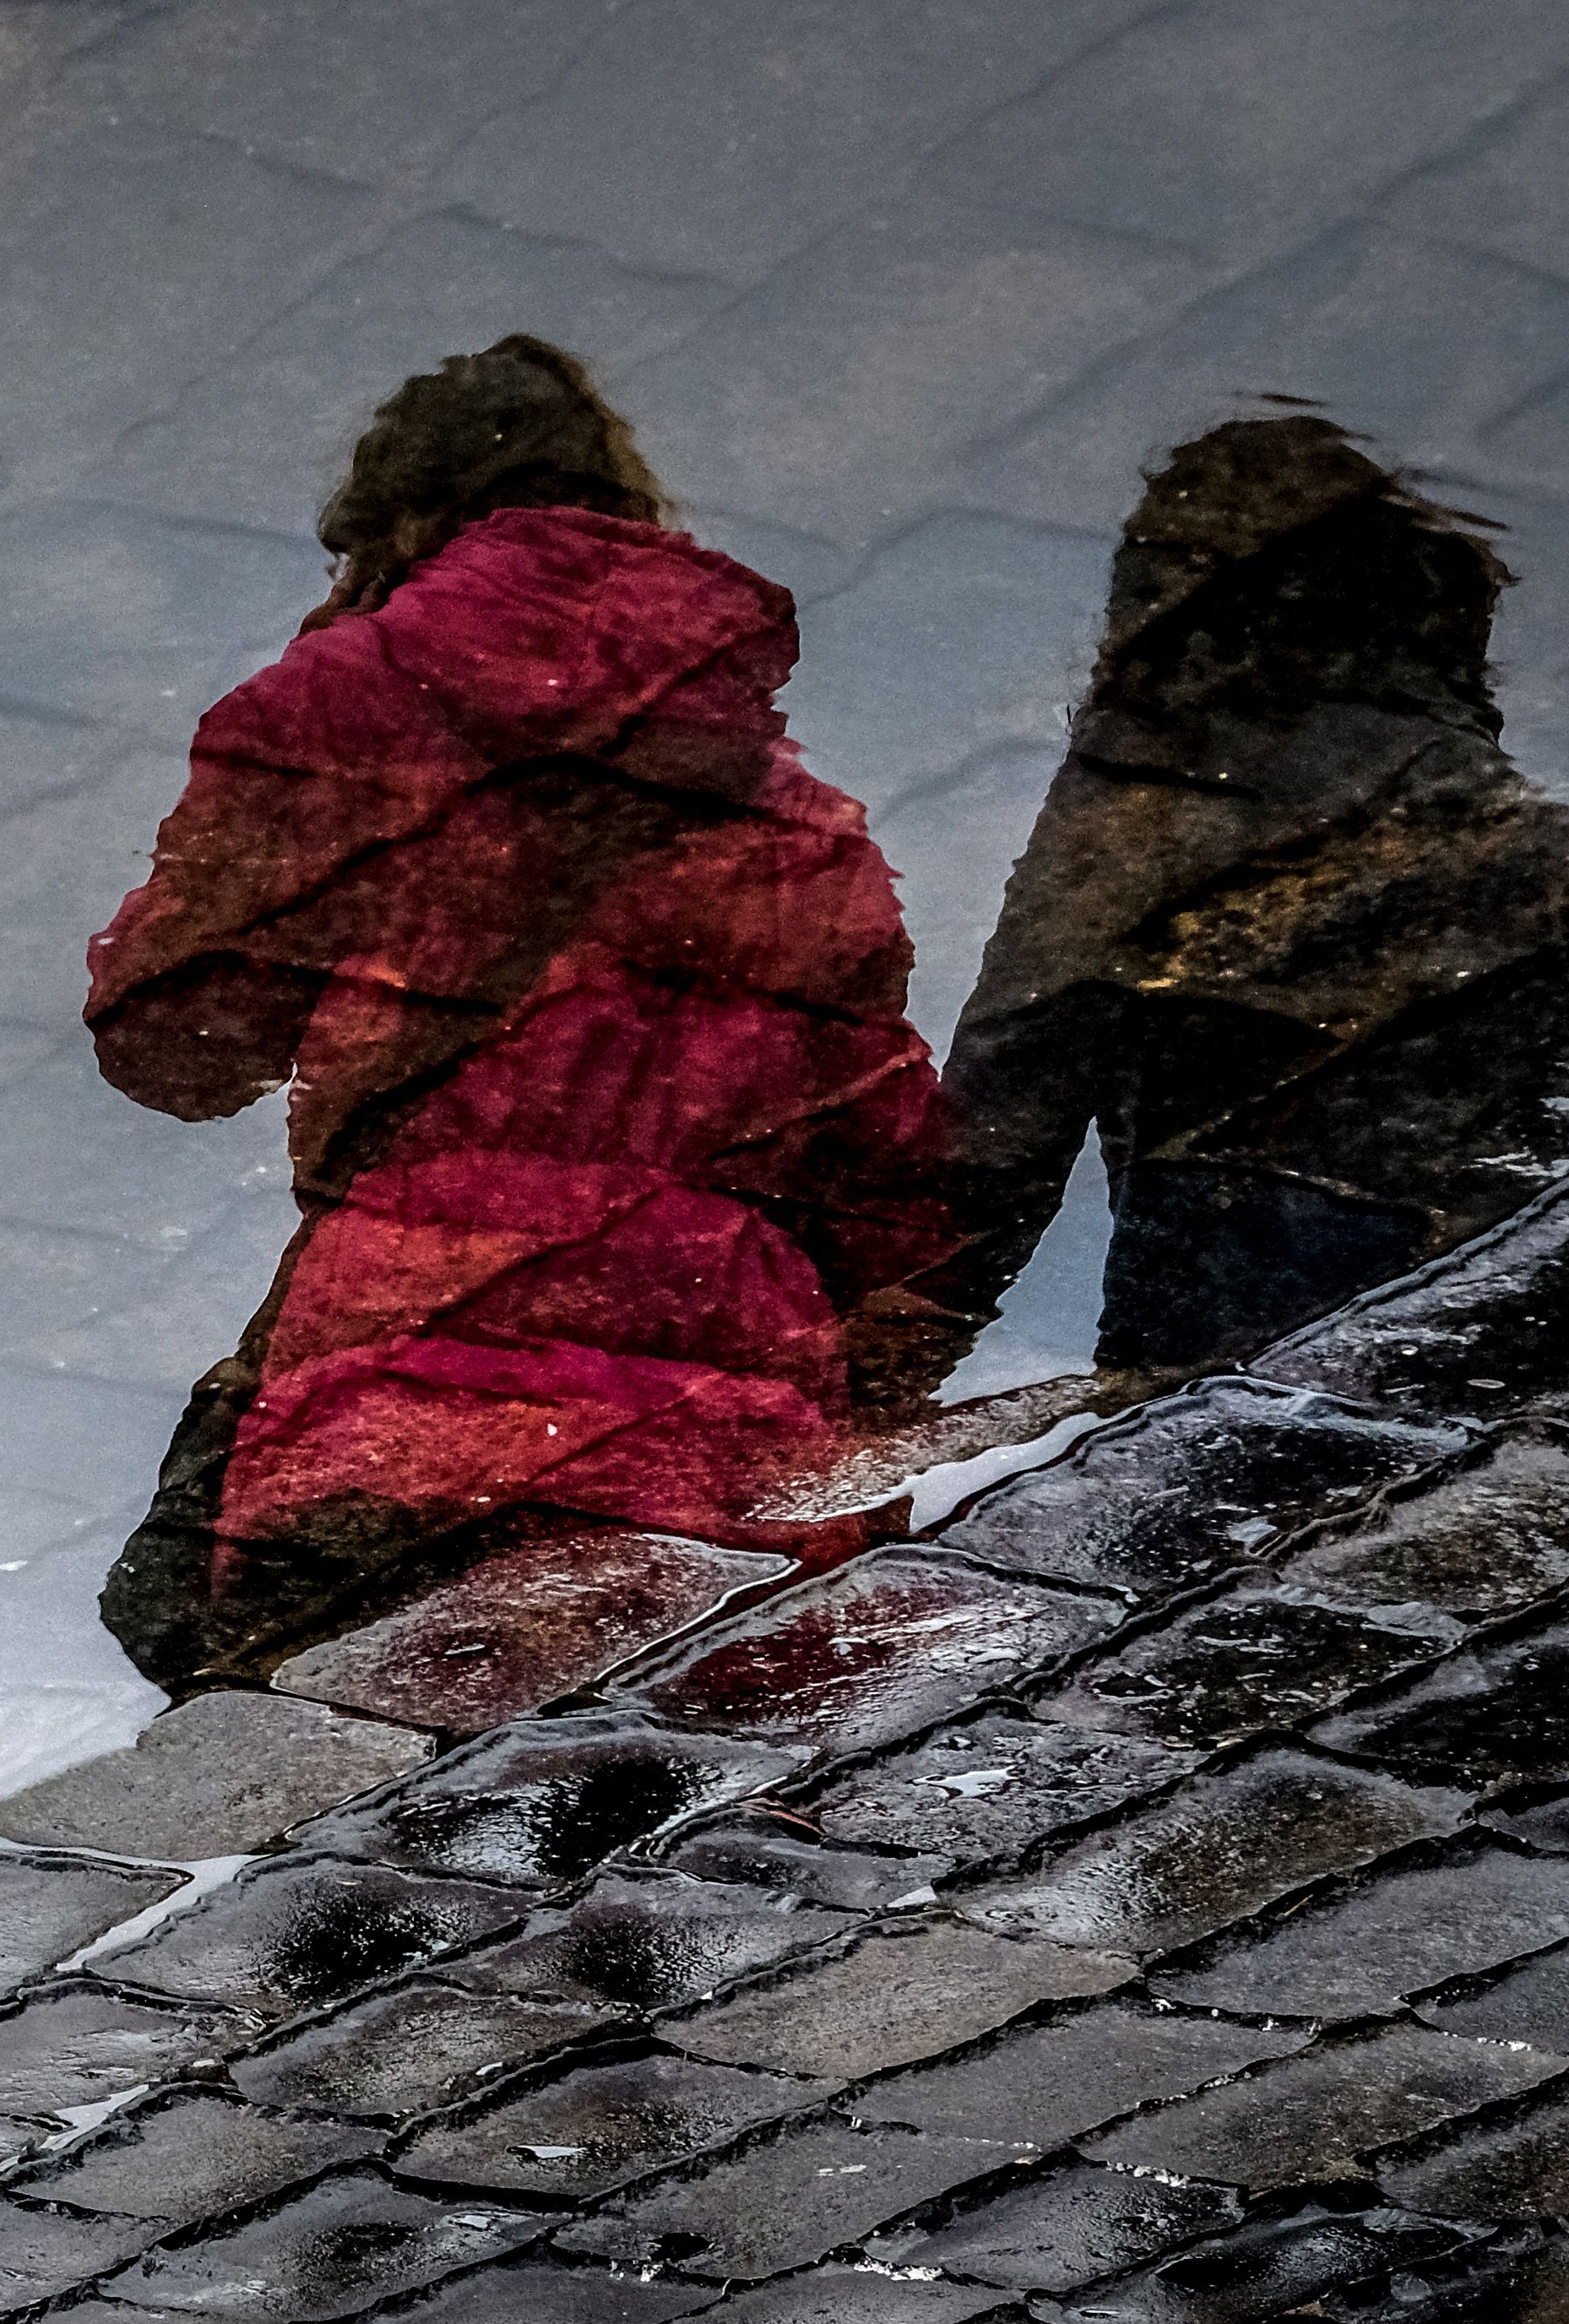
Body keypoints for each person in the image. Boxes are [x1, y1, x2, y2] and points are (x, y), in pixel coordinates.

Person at [84, 337, 965, 1691]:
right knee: (689, 1841)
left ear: (392, 526)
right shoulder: (804, 822)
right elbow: (892, 1186)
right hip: (729, 1412)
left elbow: (172, 1040)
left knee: (349, 1810)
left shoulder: (341, 703)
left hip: (411, 1380)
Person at [937, 414, 1569, 1377]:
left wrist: (924, 1317)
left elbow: (1026, 1051)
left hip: (1242, 1255)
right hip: (1505, 1255)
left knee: (1207, 1490)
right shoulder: (1497, 795)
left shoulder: (1161, 771)